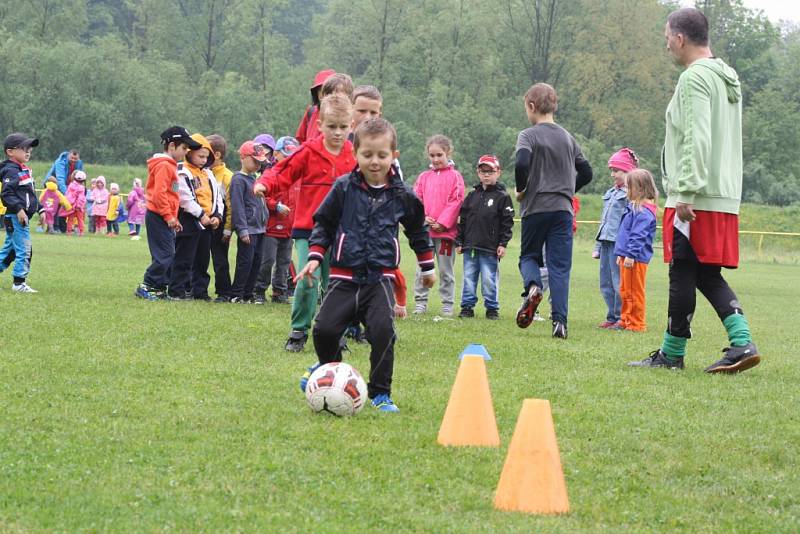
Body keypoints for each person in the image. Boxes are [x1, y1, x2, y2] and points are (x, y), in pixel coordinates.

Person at [629, 7, 760, 373]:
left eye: (667, 38)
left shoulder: (694, 78)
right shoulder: (725, 76)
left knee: (683, 271)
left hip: (696, 195)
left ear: (680, 38)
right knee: (702, 273)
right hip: (722, 193)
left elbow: (696, 138)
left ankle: (674, 354)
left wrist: (685, 190)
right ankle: (740, 341)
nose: (666, 45)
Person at [296, 118, 435, 413]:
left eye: (382, 155)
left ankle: (381, 393)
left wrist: (427, 265)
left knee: (383, 333)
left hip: (379, 280)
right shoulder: (344, 187)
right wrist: (314, 256)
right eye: (367, 155)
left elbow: (418, 230)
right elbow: (324, 223)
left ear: (393, 156)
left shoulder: (402, 195)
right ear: (355, 153)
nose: (375, 162)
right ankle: (327, 371)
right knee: (323, 330)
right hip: (344, 277)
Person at [255, 94, 358, 352]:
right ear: (320, 124)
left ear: (351, 126)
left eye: (343, 127)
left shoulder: (353, 155)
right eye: (331, 126)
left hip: (342, 231)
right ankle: (298, 331)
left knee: (338, 282)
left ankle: (336, 331)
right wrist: (265, 184)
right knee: (308, 279)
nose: (337, 132)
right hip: (309, 229)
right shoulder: (308, 151)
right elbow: (283, 171)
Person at [514, 83, 593, 339]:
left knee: (529, 257)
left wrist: (521, 189)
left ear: (532, 107)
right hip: (562, 210)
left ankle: (533, 287)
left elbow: (522, 162)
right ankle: (560, 323)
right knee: (559, 268)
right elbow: (588, 172)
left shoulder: (528, 135)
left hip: (536, 207)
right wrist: (569, 191)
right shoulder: (568, 138)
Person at [135, 126, 201, 301]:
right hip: (158, 216)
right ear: (172, 146)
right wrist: (169, 216)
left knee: (167, 254)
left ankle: (158, 287)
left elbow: (171, 194)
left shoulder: (170, 166)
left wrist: (174, 217)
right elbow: (159, 194)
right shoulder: (164, 165)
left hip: (164, 216)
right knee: (165, 255)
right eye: (184, 148)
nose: (186, 152)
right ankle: (148, 285)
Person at [455, 155, 514, 320]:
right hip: (470, 246)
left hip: (490, 248)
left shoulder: (502, 197)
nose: (486, 175)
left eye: (490, 171)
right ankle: (467, 307)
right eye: (483, 171)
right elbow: (463, 220)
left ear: (498, 172)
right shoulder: (472, 196)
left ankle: (492, 308)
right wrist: (459, 241)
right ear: (478, 173)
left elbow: (507, 223)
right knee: (468, 277)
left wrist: (503, 243)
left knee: (489, 279)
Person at [412, 135, 465, 316]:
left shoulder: (455, 177)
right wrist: (424, 219)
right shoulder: (423, 177)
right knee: (422, 268)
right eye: (432, 155)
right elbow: (415, 200)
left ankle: (447, 304)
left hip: (445, 234)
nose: (435, 159)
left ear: (448, 153)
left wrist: (442, 223)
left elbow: (456, 200)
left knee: (445, 270)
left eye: (439, 155)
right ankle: (420, 302)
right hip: (425, 233)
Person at [169, 134, 222, 301]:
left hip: (207, 223)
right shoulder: (182, 171)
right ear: (189, 153)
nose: (203, 160)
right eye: (200, 156)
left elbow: (217, 197)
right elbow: (184, 197)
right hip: (189, 221)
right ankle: (177, 291)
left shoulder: (208, 174)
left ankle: (200, 292)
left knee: (202, 260)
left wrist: (216, 215)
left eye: (206, 157)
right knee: (184, 258)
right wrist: (200, 215)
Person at [593, 148, 638, 329]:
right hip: (605, 241)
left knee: (619, 282)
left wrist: (628, 249)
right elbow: (604, 220)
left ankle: (622, 316)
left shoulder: (631, 195)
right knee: (605, 281)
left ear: (628, 172)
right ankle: (611, 316)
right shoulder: (611, 193)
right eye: (611, 170)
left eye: (616, 171)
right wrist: (597, 245)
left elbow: (632, 222)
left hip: (619, 245)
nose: (613, 174)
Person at [254, 136, 299, 304]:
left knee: (284, 262)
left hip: (289, 227)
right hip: (271, 227)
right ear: (277, 153)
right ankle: (259, 290)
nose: (289, 159)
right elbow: (261, 196)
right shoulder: (270, 174)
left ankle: (279, 292)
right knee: (268, 260)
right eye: (286, 155)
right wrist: (276, 206)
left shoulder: (297, 176)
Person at [614, 169, 658, 332]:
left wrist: (630, 255)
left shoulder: (644, 211)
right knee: (625, 290)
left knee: (634, 292)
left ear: (639, 189)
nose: (626, 191)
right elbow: (625, 233)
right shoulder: (634, 207)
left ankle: (636, 323)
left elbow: (638, 235)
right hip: (627, 257)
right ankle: (625, 319)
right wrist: (621, 253)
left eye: (629, 188)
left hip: (636, 259)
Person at [0, 133, 44, 292]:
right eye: (24, 148)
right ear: (10, 152)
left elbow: (30, 194)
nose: (28, 152)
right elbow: (6, 193)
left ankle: (18, 282)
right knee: (25, 249)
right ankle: (19, 283)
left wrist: (41, 208)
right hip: (16, 217)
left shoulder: (23, 170)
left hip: (19, 218)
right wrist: (19, 210)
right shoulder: (11, 171)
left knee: (10, 251)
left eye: (29, 149)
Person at [229, 141, 268, 303]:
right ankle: (237, 293)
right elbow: (237, 206)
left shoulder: (254, 179)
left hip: (260, 229)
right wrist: (242, 230)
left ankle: (248, 293)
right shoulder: (238, 180)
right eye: (255, 161)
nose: (258, 165)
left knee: (256, 262)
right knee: (245, 262)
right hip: (248, 230)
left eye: (260, 162)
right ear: (243, 157)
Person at [206, 134, 234, 302]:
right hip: (203, 220)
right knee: (198, 257)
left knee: (220, 259)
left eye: (205, 151)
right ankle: (196, 288)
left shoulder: (227, 176)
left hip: (220, 223)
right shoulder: (202, 172)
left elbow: (230, 206)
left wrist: (228, 229)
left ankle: (224, 292)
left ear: (216, 154)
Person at [44, 149, 83, 232]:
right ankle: (54, 227)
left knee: (66, 206)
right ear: (69, 155)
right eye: (72, 158)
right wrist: (68, 194)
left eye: (75, 159)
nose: (73, 160)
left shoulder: (79, 163)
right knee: (55, 206)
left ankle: (64, 227)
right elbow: (60, 179)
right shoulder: (60, 162)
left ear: (78, 158)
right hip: (53, 183)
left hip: (69, 186)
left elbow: (79, 177)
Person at [295, 69, 335, 143]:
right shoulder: (311, 112)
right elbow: (301, 140)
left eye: (329, 91)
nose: (325, 94)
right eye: (321, 90)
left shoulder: (345, 115)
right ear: (316, 93)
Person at [64, 170, 87, 236]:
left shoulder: (71, 185)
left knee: (70, 219)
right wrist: (79, 206)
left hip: (71, 205)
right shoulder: (81, 188)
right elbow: (81, 198)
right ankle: (81, 232)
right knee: (80, 219)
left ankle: (69, 232)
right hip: (78, 207)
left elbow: (67, 195)